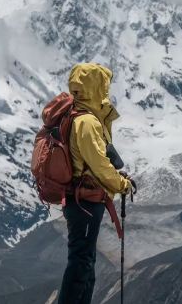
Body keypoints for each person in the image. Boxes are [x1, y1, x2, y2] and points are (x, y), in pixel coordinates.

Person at [58, 63, 135, 304]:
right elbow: (99, 165)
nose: (106, 89)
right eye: (103, 84)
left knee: (84, 261)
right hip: (87, 201)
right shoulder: (88, 123)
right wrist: (121, 184)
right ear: (94, 86)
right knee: (81, 262)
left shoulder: (75, 116)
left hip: (79, 200)